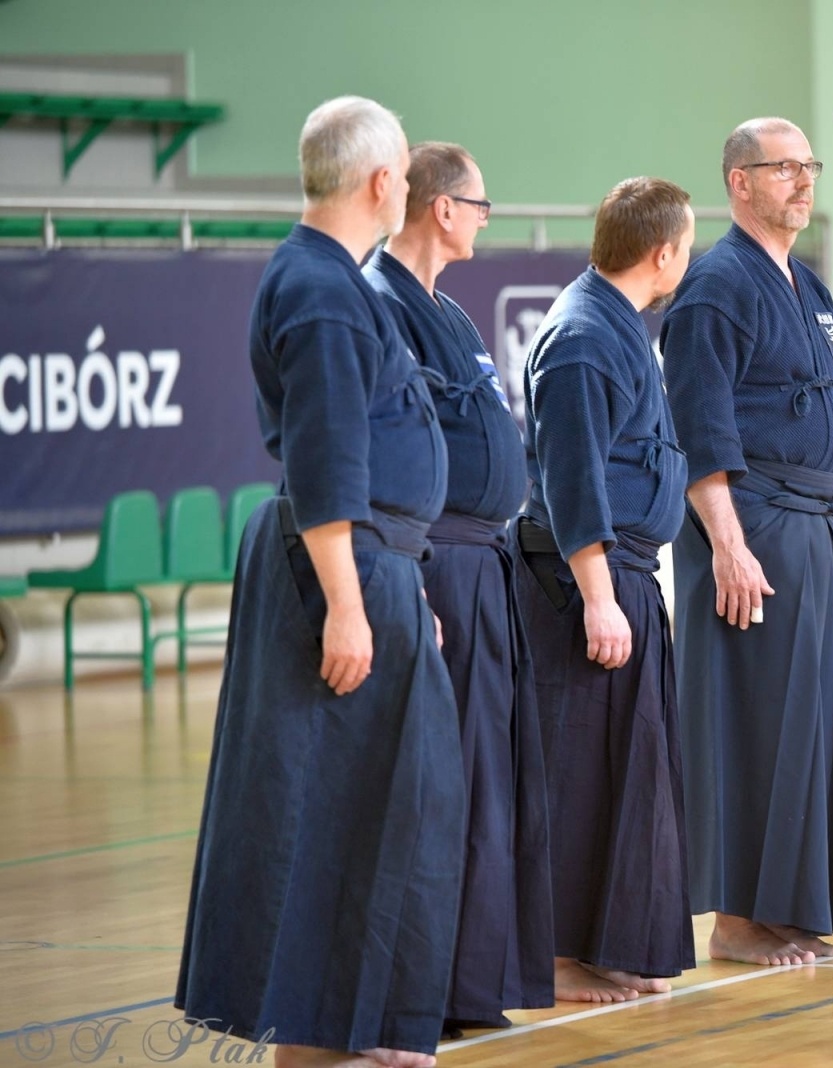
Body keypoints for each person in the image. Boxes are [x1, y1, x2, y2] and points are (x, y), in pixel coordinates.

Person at [176, 97, 463, 1068]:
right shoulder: (322, 289)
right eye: (404, 176)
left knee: (384, 803)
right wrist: (348, 603)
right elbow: (327, 458)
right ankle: (316, 1038)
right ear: (384, 183)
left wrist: (401, 582)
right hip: (339, 571)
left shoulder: (331, 277)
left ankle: (359, 1023)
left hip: (375, 564)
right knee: (327, 808)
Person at [660, 117, 833, 965]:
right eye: (784, 168)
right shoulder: (714, 287)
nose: (804, 180)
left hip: (816, 528)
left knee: (812, 727)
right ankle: (738, 920)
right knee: (752, 724)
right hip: (755, 528)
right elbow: (697, 428)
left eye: (808, 165)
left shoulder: (807, 285)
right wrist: (729, 545)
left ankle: (790, 906)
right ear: (740, 183)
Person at [362, 142, 552, 1034]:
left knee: (488, 782)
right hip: (433, 567)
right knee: (439, 784)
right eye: (480, 204)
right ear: (442, 207)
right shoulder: (382, 302)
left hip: (485, 566)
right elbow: (379, 455)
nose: (485, 218)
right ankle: (421, 989)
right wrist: (408, 582)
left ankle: (473, 982)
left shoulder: (453, 311)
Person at [520, 176, 697, 1001]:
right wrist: (598, 596)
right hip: (579, 584)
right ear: (662, 254)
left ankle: (605, 944)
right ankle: (557, 956)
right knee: (575, 772)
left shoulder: (621, 326)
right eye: (686, 248)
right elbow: (573, 478)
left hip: (626, 574)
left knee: (626, 774)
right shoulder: (584, 337)